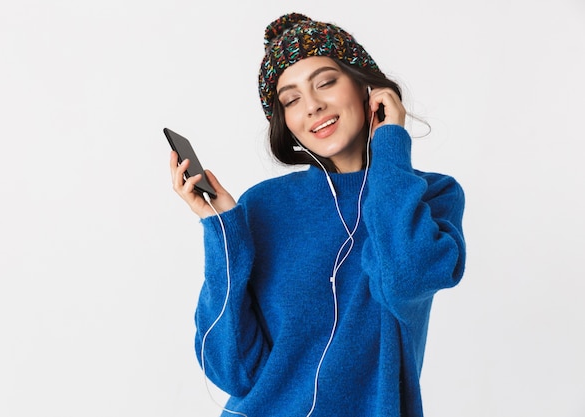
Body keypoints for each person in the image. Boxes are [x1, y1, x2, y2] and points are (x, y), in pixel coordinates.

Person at [170, 12, 466, 417]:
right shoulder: (262, 207)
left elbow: (405, 276)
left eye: (326, 82)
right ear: (286, 122)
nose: (312, 106)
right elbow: (232, 371)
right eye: (291, 100)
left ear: (367, 87)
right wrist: (225, 232)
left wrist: (390, 145)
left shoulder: (432, 195)